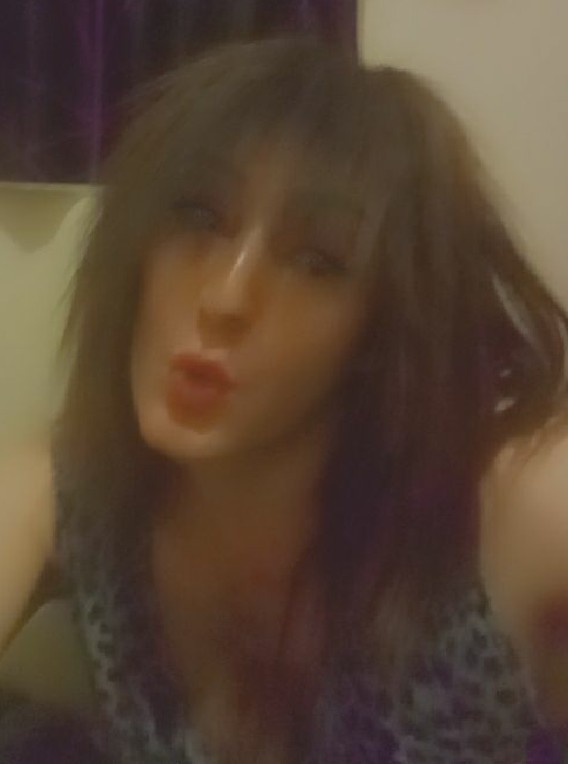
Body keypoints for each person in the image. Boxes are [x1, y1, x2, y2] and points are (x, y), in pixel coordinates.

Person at [1, 37, 568, 764]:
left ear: (384, 326)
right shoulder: (74, 493)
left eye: (318, 260)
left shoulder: (504, 511)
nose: (226, 297)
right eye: (198, 218)